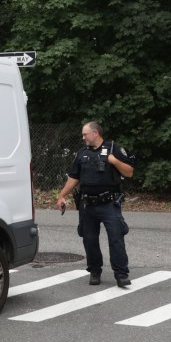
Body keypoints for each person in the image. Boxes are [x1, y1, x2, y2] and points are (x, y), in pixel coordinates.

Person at [56, 121, 136, 288]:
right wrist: (62, 195)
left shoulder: (114, 148)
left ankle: (121, 275)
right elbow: (74, 177)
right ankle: (95, 270)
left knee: (116, 238)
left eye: (85, 134)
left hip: (109, 203)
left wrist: (114, 161)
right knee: (89, 239)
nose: (83, 137)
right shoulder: (82, 153)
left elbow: (129, 172)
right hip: (87, 204)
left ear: (95, 133)